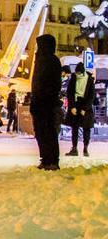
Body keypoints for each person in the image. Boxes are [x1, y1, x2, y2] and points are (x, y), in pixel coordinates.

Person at [31, 34, 62, 170]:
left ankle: (52, 160)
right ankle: (45, 158)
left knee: (48, 131)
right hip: (39, 102)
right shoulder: (41, 60)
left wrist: (45, 98)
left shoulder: (51, 61)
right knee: (40, 131)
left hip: (46, 103)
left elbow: (52, 83)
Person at [64, 63, 95, 157]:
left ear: (82, 72)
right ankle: (74, 148)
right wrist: (72, 106)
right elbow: (70, 93)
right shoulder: (73, 78)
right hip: (75, 104)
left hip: (85, 105)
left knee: (86, 128)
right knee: (75, 127)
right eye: (76, 73)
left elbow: (91, 96)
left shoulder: (89, 79)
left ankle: (85, 148)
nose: (77, 75)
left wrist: (85, 108)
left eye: (79, 73)